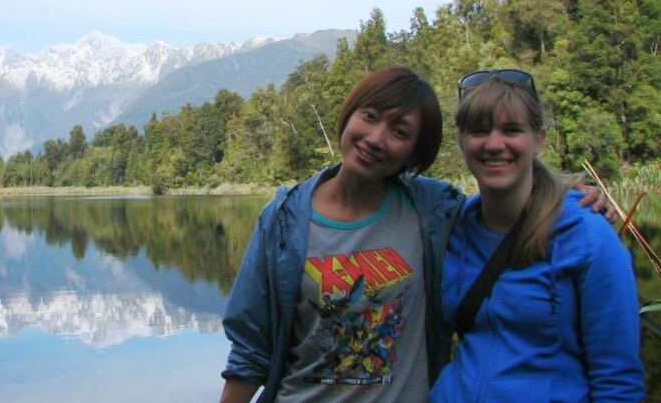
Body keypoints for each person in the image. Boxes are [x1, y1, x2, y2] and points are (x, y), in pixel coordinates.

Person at [219, 67, 613, 403]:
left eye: (400, 131)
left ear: (413, 153)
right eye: (369, 116)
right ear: (348, 114)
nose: (376, 138)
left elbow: (508, 199)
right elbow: (251, 350)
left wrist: (565, 194)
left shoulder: (434, 211)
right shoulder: (284, 220)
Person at [428, 69, 645, 402]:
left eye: (511, 130)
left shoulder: (587, 235)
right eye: (479, 131)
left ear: (539, 139)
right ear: (461, 141)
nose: (494, 144)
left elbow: (618, 383)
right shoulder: (450, 226)